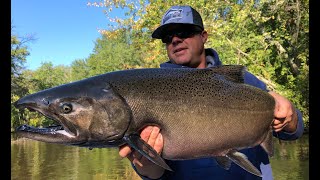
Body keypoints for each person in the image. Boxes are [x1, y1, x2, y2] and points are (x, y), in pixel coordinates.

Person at [119, 5, 304, 180]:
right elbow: (154, 174)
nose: (175, 40)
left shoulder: (243, 82)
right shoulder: (149, 90)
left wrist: (290, 116)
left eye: (184, 32)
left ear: (204, 36)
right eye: (167, 37)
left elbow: (294, 132)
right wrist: (149, 169)